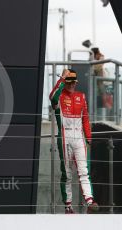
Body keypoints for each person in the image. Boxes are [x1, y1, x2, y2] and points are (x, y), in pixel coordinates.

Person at [49, 69, 99, 214]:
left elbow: (85, 118)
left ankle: (90, 201)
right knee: (67, 174)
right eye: (69, 82)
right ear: (65, 82)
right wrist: (62, 80)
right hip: (64, 136)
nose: (71, 85)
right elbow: (52, 97)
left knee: (84, 171)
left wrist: (88, 137)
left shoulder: (81, 96)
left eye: (73, 82)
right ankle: (68, 207)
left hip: (79, 138)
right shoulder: (58, 97)